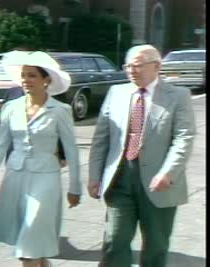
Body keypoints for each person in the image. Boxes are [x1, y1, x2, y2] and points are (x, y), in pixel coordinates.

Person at [88, 44, 195, 267]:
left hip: (160, 183)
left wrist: (168, 172)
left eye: (137, 66)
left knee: (156, 247)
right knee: (114, 240)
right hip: (120, 179)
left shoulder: (178, 96)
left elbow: (183, 138)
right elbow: (101, 139)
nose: (131, 71)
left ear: (156, 66)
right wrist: (94, 175)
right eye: (128, 66)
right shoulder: (116, 93)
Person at [0, 51, 82, 267]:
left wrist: (75, 187)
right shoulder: (11, 108)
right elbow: (0, 145)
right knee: (30, 243)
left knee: (30, 240)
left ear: (46, 80)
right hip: (15, 177)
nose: (26, 80)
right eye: (23, 75)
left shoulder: (60, 110)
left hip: (46, 179)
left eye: (32, 75)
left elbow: (71, 150)